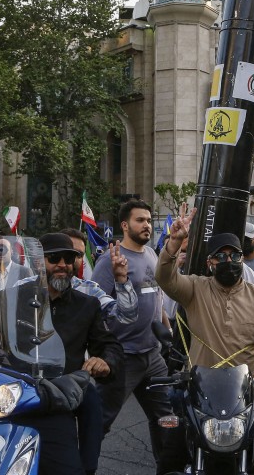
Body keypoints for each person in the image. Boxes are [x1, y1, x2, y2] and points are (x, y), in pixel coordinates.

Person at [155, 215, 254, 475]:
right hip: (200, 392)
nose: (228, 261)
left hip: (250, 390)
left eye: (233, 256)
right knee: (168, 462)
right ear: (210, 263)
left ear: (242, 259)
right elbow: (165, 278)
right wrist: (173, 244)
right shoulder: (195, 289)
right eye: (220, 257)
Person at [91, 199, 172, 474]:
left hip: (152, 354)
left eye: (149, 220)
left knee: (166, 419)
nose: (147, 225)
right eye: (140, 220)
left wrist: (166, 327)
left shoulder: (151, 254)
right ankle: (80, 466)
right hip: (122, 356)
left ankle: (167, 467)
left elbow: (157, 295)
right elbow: (94, 303)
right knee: (99, 421)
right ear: (125, 225)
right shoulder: (109, 261)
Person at [41, 233, 124, 475]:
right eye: (54, 258)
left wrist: (105, 361)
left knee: (75, 467)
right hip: (18, 394)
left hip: (63, 395)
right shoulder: (12, 299)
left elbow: (109, 345)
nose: (62, 265)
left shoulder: (87, 304)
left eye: (69, 258)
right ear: (38, 262)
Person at [58, 228, 138, 324]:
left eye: (79, 255)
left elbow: (127, 316)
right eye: (68, 253)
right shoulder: (35, 289)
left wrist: (122, 280)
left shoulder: (88, 290)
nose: (73, 260)